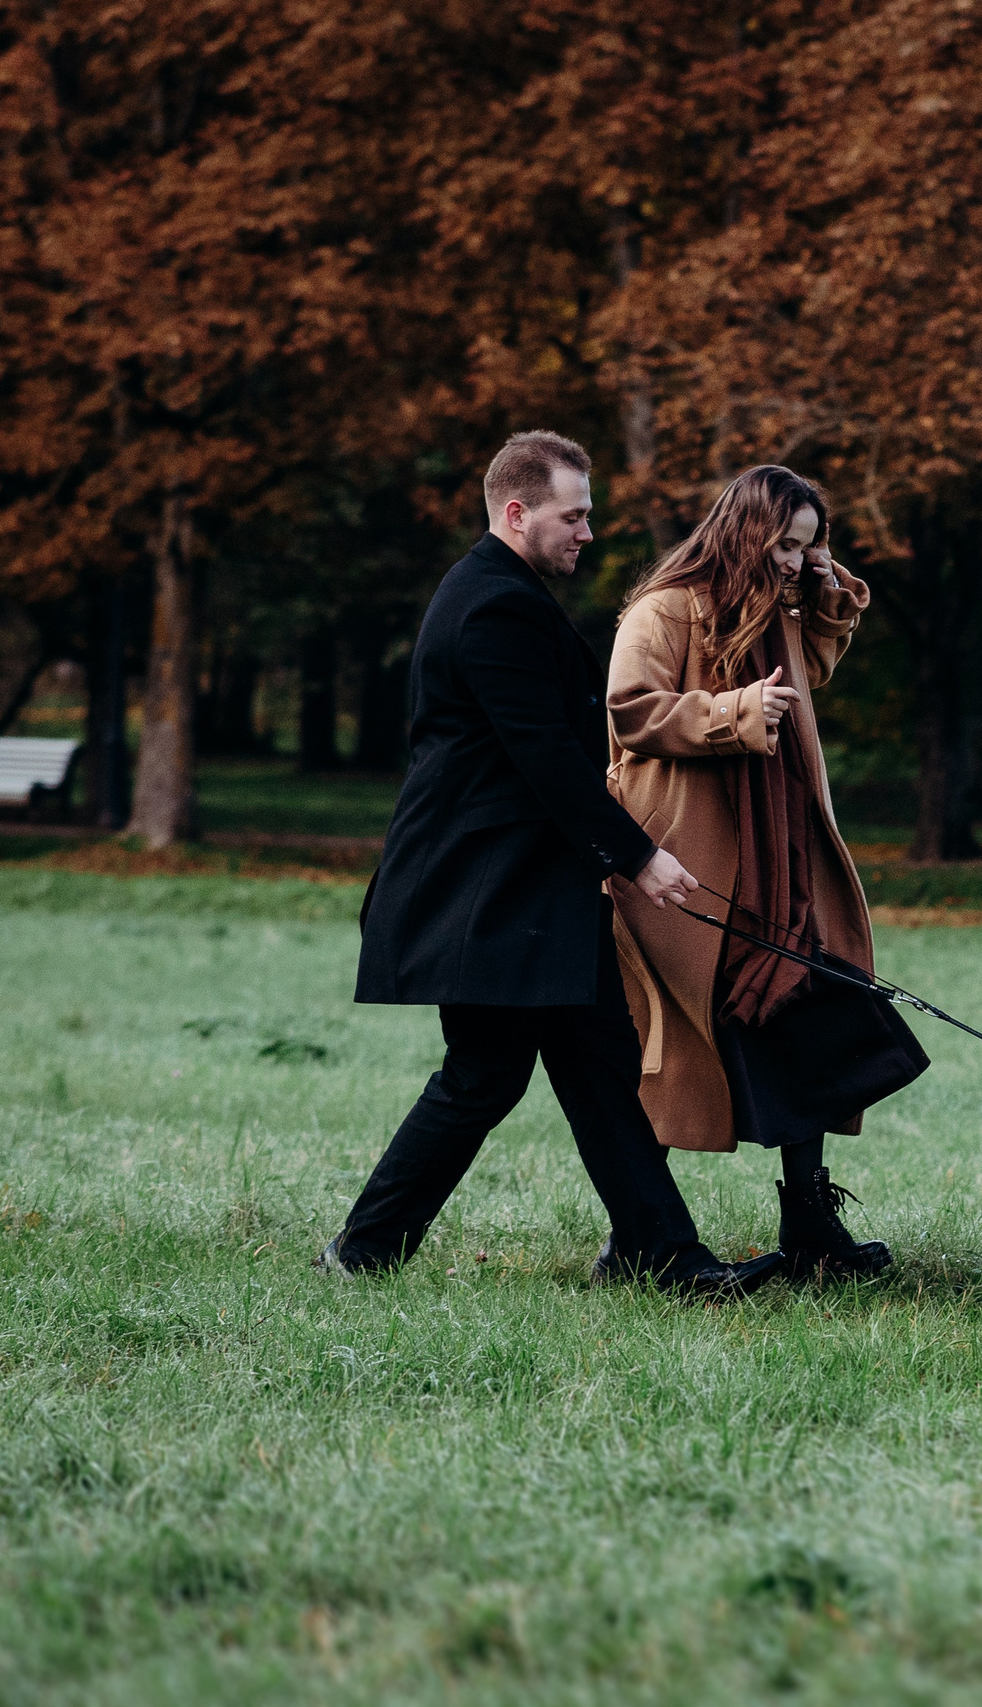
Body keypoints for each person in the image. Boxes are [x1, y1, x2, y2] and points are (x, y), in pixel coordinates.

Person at [321, 431, 781, 1298]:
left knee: (600, 1064)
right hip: (483, 892)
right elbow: (544, 757)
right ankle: (364, 1249)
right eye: (575, 516)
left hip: (524, 891)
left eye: (590, 515)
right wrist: (637, 857)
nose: (588, 533)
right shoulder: (494, 605)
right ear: (517, 510)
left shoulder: (505, 593)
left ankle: (666, 1257)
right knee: (484, 1073)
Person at [605, 465, 927, 1283]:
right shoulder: (665, 607)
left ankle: (812, 1226)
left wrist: (821, 588)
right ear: (746, 531)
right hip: (690, 873)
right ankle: (639, 1236)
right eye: (786, 544)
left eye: (807, 545)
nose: (794, 560)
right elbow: (629, 708)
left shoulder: (775, 613)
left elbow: (811, 670)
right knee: (673, 1045)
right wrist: (733, 714)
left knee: (802, 1015)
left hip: (780, 868)